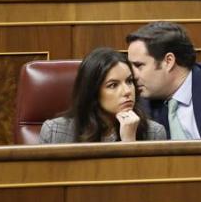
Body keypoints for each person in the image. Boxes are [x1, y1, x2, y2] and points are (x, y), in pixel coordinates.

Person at [39, 47, 167, 143]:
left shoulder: (154, 133)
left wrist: (129, 141)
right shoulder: (54, 132)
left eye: (129, 81)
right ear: (93, 92)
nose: (127, 91)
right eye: (113, 85)